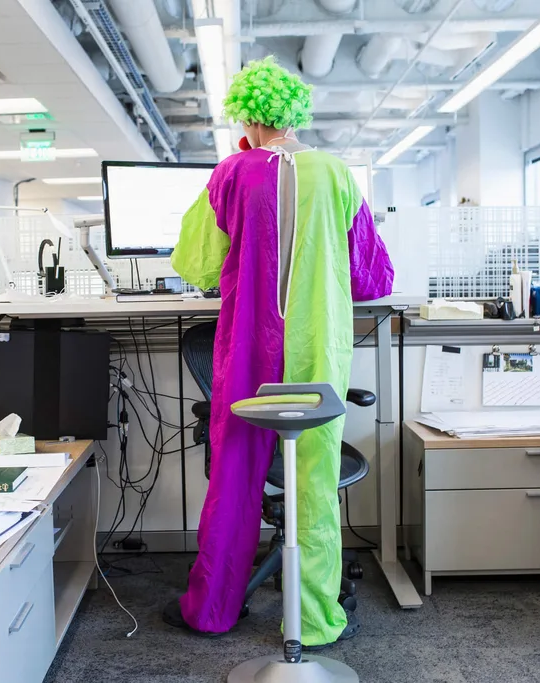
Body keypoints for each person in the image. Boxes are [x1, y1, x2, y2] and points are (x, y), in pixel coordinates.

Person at [163, 57, 394, 649]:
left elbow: (197, 265)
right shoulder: (339, 175)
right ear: (294, 115)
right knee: (315, 482)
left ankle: (212, 608)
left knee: (235, 476)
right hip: (318, 348)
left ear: (246, 116)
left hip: (247, 347)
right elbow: (373, 279)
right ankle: (314, 622)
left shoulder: (232, 172)